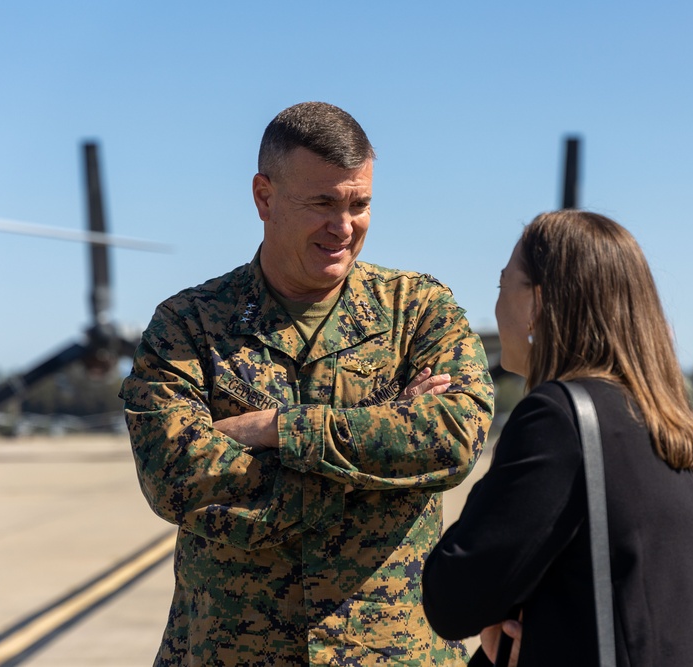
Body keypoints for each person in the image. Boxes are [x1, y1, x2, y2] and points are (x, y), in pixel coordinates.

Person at [119, 101, 494, 666]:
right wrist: (383, 461)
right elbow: (175, 476)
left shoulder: (418, 310)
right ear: (264, 197)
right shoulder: (189, 325)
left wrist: (279, 431)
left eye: (359, 204)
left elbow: (453, 440)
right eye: (322, 203)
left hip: (392, 652)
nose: (343, 227)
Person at [421, 210, 693, 666]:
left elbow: (454, 597)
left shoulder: (557, 418)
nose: (498, 302)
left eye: (503, 282)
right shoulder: (662, 416)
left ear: (536, 303)